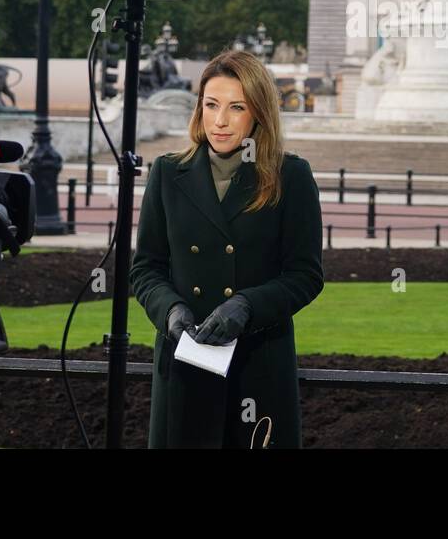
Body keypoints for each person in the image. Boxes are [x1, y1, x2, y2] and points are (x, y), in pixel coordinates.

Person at [129, 49, 324, 448]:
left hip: (259, 364)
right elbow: (146, 268)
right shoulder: (167, 173)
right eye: (211, 104)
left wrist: (247, 305)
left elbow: (305, 275)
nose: (220, 120)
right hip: (185, 362)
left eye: (236, 107)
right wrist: (170, 311)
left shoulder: (292, 177)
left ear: (259, 113)